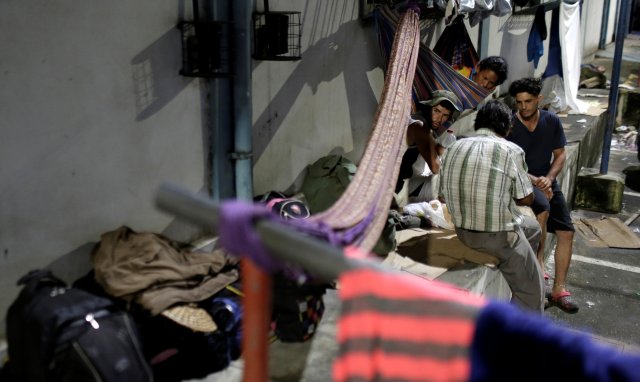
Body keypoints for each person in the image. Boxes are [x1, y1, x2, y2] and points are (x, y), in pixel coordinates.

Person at [439, 100, 544, 312]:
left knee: (533, 228)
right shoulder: (511, 150)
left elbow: (443, 196)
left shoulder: (453, 146)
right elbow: (527, 199)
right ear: (507, 126)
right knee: (533, 294)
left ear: (479, 123)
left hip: (462, 232)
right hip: (497, 237)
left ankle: (523, 269)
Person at [507, 77, 579, 314]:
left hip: (547, 180)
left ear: (539, 99)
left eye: (528, 101)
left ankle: (559, 290)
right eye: (519, 102)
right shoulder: (509, 124)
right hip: (522, 182)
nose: (524, 107)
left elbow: (560, 155)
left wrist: (548, 178)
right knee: (541, 219)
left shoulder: (551, 121)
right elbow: (508, 161)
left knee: (567, 231)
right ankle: (539, 283)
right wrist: (534, 180)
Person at [395, 90, 462, 206]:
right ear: (428, 107)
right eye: (436, 111)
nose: (439, 119)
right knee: (441, 180)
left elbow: (438, 152)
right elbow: (436, 167)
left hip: (406, 182)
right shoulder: (419, 126)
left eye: (445, 115)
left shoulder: (423, 126)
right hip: (396, 189)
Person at [450, 56, 509, 137]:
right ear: (478, 68)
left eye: (491, 82)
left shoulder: (488, 97)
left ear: (495, 86)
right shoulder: (458, 77)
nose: (485, 84)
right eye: (484, 78)